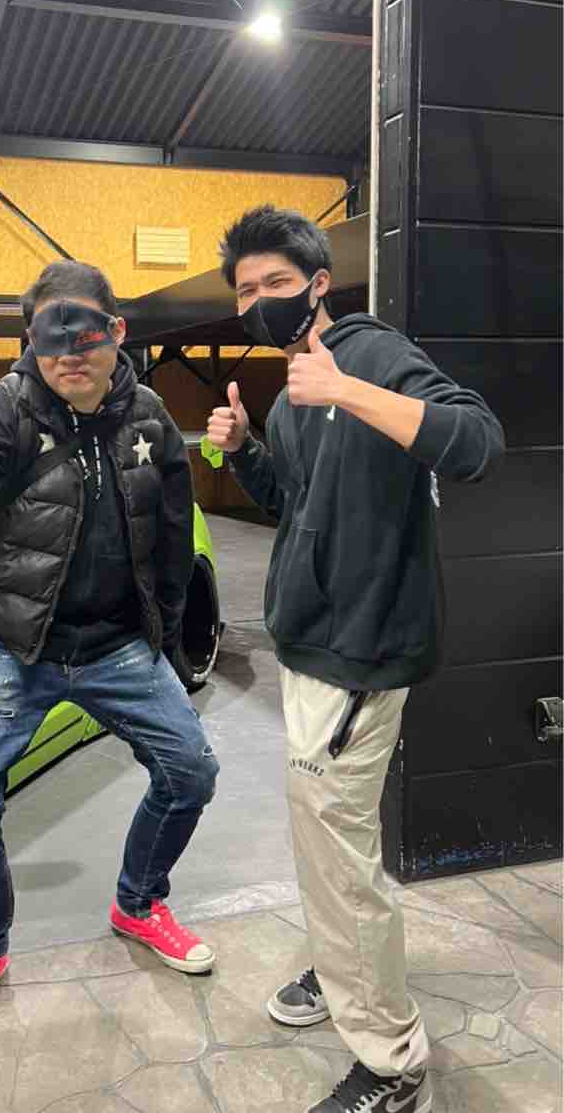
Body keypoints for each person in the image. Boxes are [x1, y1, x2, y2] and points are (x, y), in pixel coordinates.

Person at [207, 205, 504, 1113]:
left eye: (276, 282)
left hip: (358, 652)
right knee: (330, 842)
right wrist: (244, 450)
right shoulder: (296, 386)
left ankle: (392, 1060)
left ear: (319, 283)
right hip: (309, 641)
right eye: (245, 290)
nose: (260, 300)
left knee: (337, 854)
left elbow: (479, 442)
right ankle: (342, 968)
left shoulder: (368, 354)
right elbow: (296, 502)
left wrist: (349, 391)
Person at [0, 260, 219, 1047]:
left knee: (191, 771)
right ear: (31, 340)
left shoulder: (150, 418)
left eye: (85, 332)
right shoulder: (7, 412)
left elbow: (174, 536)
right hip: (12, 642)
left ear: (116, 332)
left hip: (118, 644)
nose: (69, 354)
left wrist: (169, 642)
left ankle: (139, 902)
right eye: (51, 337)